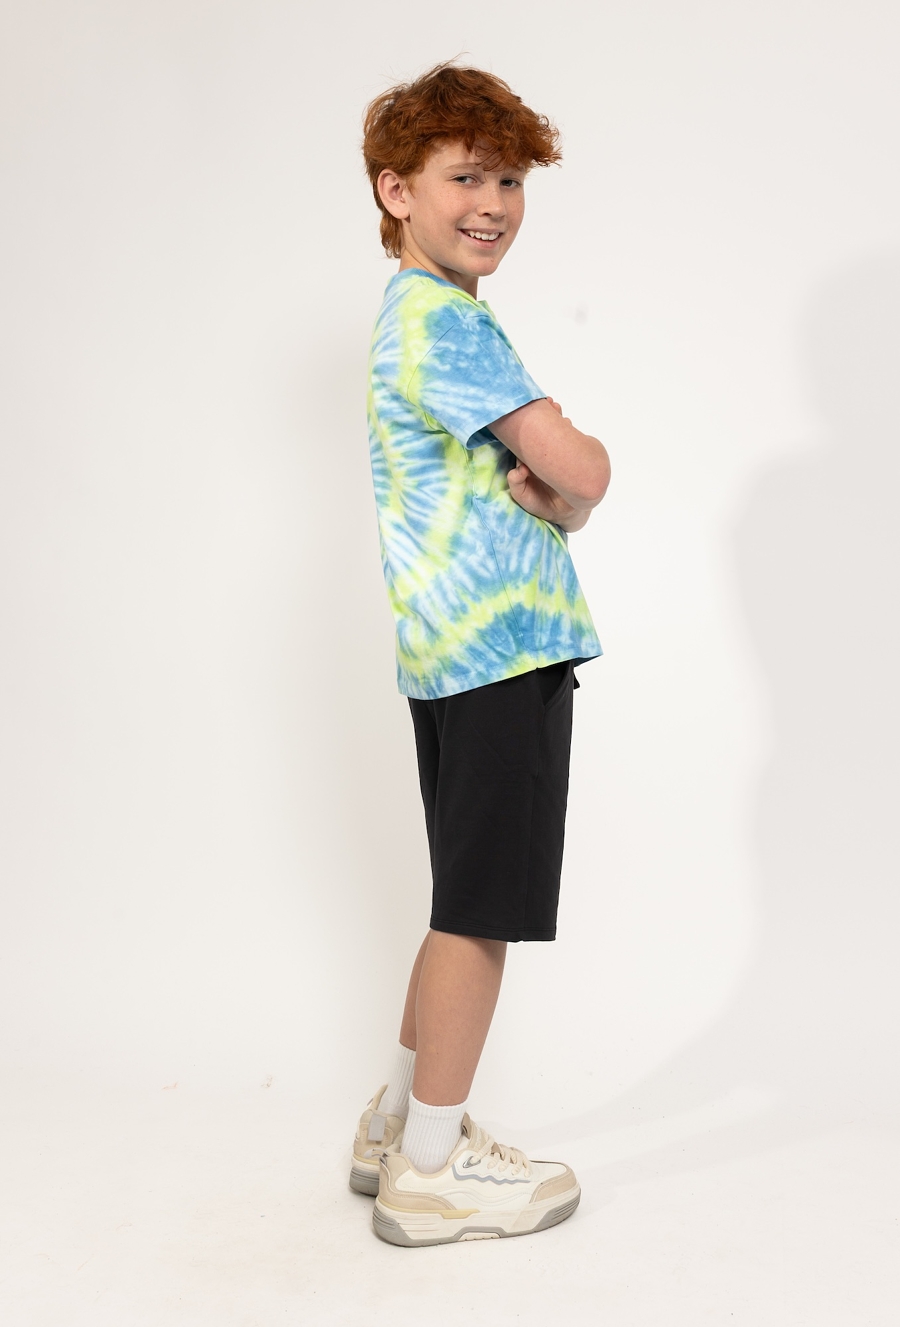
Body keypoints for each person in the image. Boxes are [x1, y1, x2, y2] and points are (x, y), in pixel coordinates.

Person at [351, 62, 611, 1247]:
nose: (493, 203)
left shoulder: (420, 312)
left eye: (509, 180)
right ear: (397, 189)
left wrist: (562, 495)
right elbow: (583, 467)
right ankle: (432, 1167)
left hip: (454, 650)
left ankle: (396, 1126)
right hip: (500, 652)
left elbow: (555, 485)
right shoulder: (445, 323)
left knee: (459, 898)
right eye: (465, 177)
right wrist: (576, 486)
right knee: (479, 914)